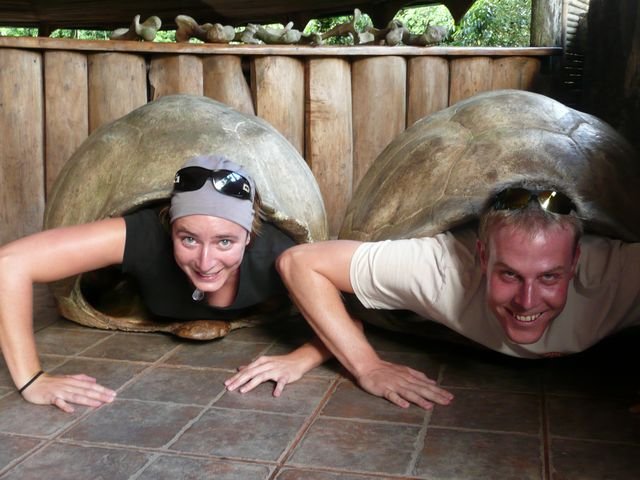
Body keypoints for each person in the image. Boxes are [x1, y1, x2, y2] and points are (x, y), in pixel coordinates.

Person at [225, 185, 640, 409]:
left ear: (577, 261)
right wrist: (367, 366)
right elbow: (300, 263)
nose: (528, 300)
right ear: (481, 257)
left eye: (550, 276)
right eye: (509, 274)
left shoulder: (618, 274)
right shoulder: (437, 269)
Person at [0, 154, 295, 412]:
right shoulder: (146, 235)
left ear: (249, 236)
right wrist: (32, 380)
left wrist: (302, 358)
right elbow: (9, 263)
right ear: (170, 227)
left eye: (225, 241)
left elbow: (328, 295)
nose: (205, 263)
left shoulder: (278, 253)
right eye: (188, 239)